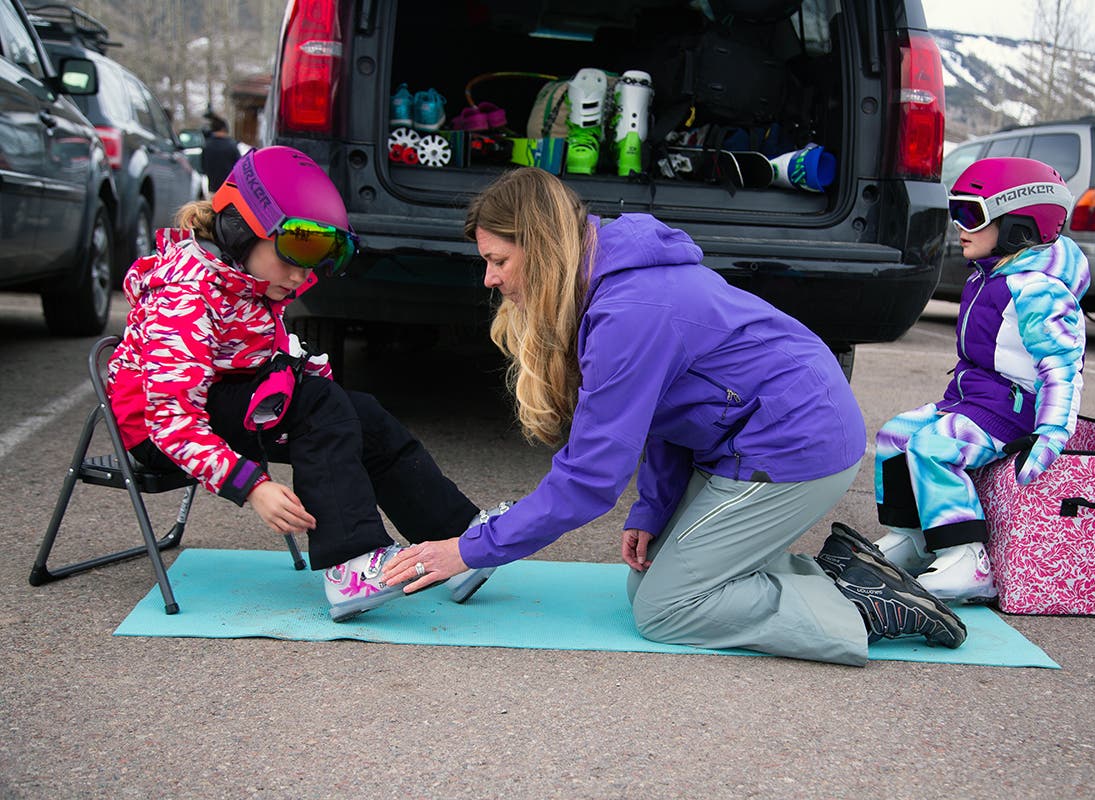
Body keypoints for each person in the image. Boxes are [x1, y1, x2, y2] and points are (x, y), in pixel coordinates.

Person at [381, 166, 967, 665]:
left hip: (794, 443)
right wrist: (654, 506)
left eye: (497, 260)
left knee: (666, 608)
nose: (489, 278)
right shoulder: (613, 282)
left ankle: (864, 610)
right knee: (648, 579)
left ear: (539, 243)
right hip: (755, 434)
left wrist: (469, 548)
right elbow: (667, 409)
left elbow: (588, 480)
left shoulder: (628, 312)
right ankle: (846, 576)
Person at [106, 146, 479, 621]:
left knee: (358, 411)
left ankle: (455, 543)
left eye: (317, 259)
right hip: (161, 433)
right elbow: (171, 419)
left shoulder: (246, 280)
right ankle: (351, 566)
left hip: (224, 406)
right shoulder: (186, 293)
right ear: (241, 230)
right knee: (319, 405)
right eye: (294, 253)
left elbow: (271, 360)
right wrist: (252, 485)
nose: (302, 275)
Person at [817, 156, 1090, 604]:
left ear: (1020, 223)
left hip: (1012, 412)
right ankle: (915, 539)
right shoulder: (991, 273)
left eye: (972, 214)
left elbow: (1062, 366)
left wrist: (1053, 432)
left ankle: (968, 559)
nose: (959, 225)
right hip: (975, 401)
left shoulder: (1038, 289)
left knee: (935, 447)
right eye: (956, 210)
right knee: (895, 436)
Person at [200, 116, 241, 191]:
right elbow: (239, 167)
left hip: (213, 189)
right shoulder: (232, 145)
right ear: (224, 129)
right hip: (230, 189)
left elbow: (203, 168)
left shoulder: (207, 146)